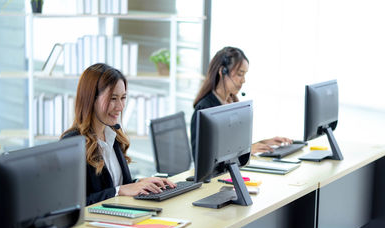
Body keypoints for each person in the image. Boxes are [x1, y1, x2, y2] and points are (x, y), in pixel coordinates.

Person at [61, 63, 175, 206]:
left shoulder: (113, 135)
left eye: (123, 98)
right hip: (95, 225)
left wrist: (141, 184)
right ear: (91, 99)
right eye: (113, 99)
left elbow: (116, 186)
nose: (120, 107)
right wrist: (120, 190)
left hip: (119, 218)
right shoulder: (72, 144)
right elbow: (72, 205)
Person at [190, 46, 293, 159]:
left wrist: (264, 143)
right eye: (240, 74)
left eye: (244, 75)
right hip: (217, 176)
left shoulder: (232, 102)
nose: (243, 80)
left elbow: (233, 145)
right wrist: (247, 150)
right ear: (222, 71)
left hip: (233, 171)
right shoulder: (205, 108)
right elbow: (202, 159)